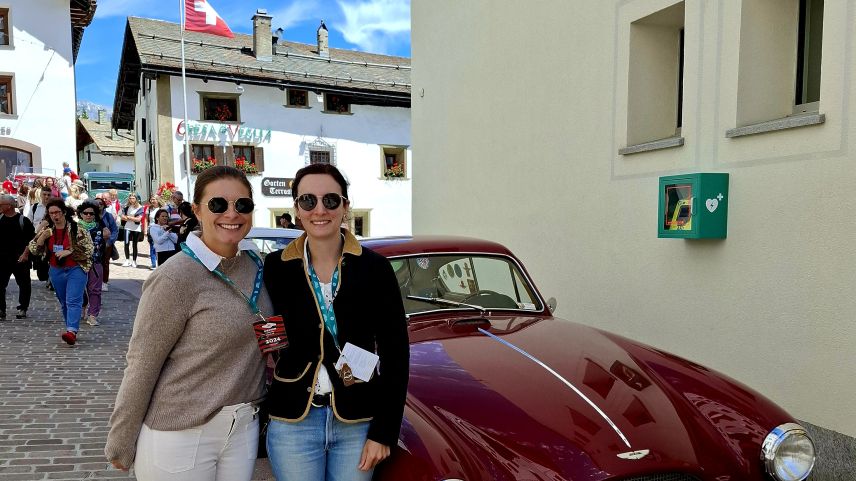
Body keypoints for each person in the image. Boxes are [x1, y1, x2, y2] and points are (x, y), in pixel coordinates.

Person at [105, 166, 273, 479]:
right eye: (218, 205)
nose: (232, 214)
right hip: (181, 432)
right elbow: (142, 363)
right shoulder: (174, 277)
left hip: (242, 428)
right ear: (196, 210)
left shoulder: (254, 265)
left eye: (243, 205)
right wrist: (122, 440)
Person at [262, 163, 410, 481]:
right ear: (296, 209)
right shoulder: (275, 267)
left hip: (356, 422)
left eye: (330, 200)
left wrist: (384, 432)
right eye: (308, 201)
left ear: (345, 206)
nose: (320, 210)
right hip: (293, 422)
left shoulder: (376, 269)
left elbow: (396, 355)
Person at [29, 198, 93, 345]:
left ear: (64, 212)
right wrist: (41, 239)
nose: (54, 215)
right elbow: (33, 249)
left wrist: (69, 251)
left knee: (73, 300)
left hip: (76, 268)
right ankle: (70, 326)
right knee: (64, 301)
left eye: (57, 212)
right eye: (51, 213)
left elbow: (89, 249)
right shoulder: (47, 230)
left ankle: (72, 331)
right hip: (56, 270)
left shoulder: (78, 228)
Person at [0, 194, 34, 321]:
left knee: (24, 284)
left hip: (20, 259)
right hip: (2, 259)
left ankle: (23, 308)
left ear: (9, 206)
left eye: (1, 204)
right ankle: (1, 309)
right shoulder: (0, 219)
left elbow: (32, 240)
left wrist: (26, 254)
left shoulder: (23, 221)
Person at [76, 201, 109, 327]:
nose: (88, 215)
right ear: (81, 214)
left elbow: (108, 234)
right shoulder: (75, 227)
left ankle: (93, 315)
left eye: (91, 213)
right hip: (79, 262)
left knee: (95, 290)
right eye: (86, 213)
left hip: (96, 261)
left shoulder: (99, 226)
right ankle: (82, 309)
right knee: (79, 289)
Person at [94, 194, 119, 291]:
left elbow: (114, 230)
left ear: (104, 205)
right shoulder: (90, 215)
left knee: (105, 262)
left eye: (100, 203)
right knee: (94, 262)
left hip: (106, 243)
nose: (99, 205)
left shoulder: (108, 216)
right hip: (94, 243)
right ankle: (95, 280)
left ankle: (104, 282)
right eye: (96, 204)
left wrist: (110, 241)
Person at [120, 194, 144, 268]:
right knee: (126, 243)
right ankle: (127, 260)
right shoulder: (126, 206)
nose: (131, 200)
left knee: (134, 245)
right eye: (130, 198)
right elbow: (122, 216)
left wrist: (128, 217)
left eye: (133, 198)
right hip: (127, 226)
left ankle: (134, 261)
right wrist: (131, 218)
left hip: (136, 228)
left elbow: (138, 219)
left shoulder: (140, 207)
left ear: (136, 199)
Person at [145, 196, 162, 269]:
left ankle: (160, 263)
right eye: (151, 199)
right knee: (152, 247)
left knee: (159, 247)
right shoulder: (149, 209)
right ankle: (153, 264)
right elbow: (146, 220)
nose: (152, 201)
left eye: (154, 199)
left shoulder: (161, 209)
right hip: (151, 229)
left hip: (159, 229)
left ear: (158, 200)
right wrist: (145, 230)